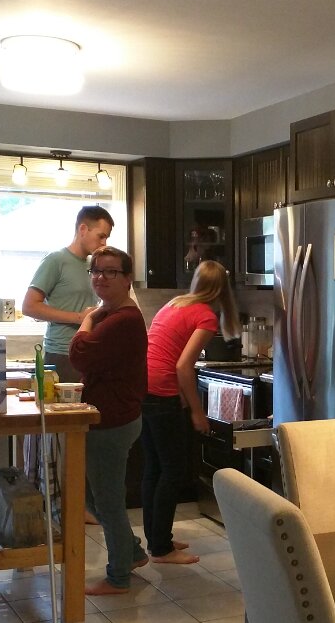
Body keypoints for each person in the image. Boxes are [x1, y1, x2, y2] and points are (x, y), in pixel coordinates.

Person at [142, 260, 240, 564]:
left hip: (144, 387)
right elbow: (183, 366)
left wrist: (185, 400)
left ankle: (158, 539)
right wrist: (198, 412)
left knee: (155, 468)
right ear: (222, 289)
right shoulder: (205, 315)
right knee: (173, 471)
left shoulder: (175, 304)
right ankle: (161, 549)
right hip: (163, 391)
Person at [69, 246, 148, 595]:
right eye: (96, 270)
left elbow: (80, 354)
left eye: (110, 271)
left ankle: (118, 577)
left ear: (127, 279)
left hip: (112, 422)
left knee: (107, 502)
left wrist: (86, 321)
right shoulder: (111, 314)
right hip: (110, 417)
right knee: (92, 497)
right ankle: (132, 553)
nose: (101, 277)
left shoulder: (123, 319)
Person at [23, 205, 113, 383]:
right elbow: (29, 306)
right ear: (83, 229)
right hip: (62, 354)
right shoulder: (56, 260)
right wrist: (79, 317)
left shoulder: (94, 266)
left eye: (107, 238)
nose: (104, 243)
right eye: (101, 236)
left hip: (88, 351)